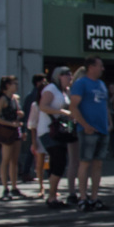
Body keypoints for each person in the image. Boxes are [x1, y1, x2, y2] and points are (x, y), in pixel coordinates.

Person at [69, 57, 110, 212]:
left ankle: (94, 197)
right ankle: (83, 198)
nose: (103, 69)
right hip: (87, 130)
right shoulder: (81, 84)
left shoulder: (101, 84)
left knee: (98, 163)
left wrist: (109, 123)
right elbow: (74, 106)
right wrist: (85, 125)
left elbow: (104, 106)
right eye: (101, 65)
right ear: (91, 67)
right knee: (85, 162)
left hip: (102, 129)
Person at [38, 66, 74, 209]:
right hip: (48, 130)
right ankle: (51, 196)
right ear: (59, 76)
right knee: (58, 161)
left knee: (58, 162)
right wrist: (62, 111)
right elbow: (43, 106)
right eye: (67, 75)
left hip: (61, 131)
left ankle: (53, 195)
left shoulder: (65, 91)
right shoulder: (51, 89)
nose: (70, 78)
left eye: (71, 76)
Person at [0, 76, 26, 201]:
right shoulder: (2, 99)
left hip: (15, 131)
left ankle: (14, 186)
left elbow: (18, 112)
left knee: (15, 160)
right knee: (5, 159)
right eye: (14, 84)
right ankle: (6, 187)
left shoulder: (15, 99)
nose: (16, 86)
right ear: (7, 85)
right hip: (7, 131)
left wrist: (20, 115)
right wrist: (11, 124)